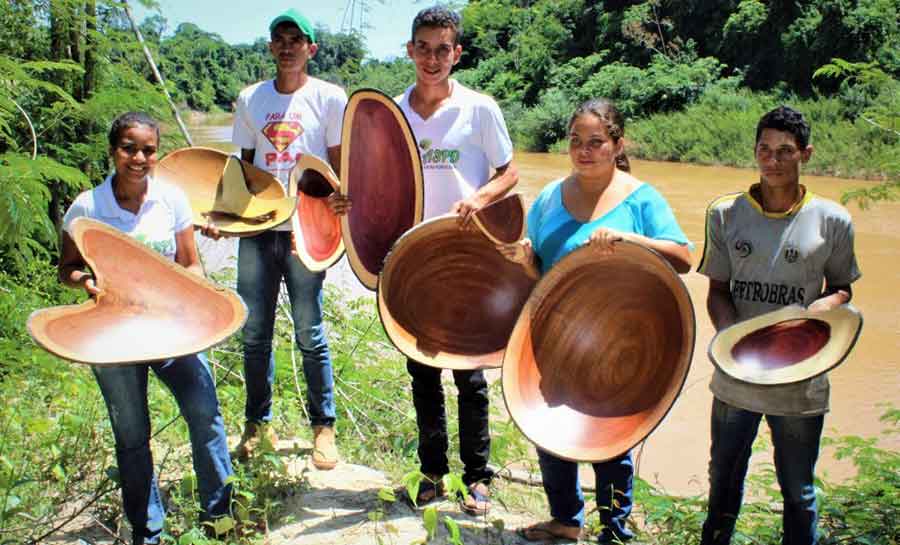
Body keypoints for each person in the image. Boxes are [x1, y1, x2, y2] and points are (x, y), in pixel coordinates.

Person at [499, 98, 692, 543]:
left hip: (618, 335)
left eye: (596, 142)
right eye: (575, 142)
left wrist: (629, 238)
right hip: (556, 331)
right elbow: (540, 273)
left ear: (617, 144)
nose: (584, 151)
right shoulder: (549, 197)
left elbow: (682, 257)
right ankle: (566, 520)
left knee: (610, 437)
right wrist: (526, 258)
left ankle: (614, 530)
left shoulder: (641, 198)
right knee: (549, 427)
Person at [58, 112, 233, 545]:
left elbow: (188, 260)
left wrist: (196, 292)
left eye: (148, 150)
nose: (139, 158)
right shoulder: (87, 207)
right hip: (114, 335)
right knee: (132, 434)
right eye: (129, 148)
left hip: (172, 327)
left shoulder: (170, 199)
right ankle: (146, 528)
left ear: (157, 153)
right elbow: (68, 269)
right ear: (113, 150)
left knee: (205, 415)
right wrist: (87, 282)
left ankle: (220, 518)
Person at [697, 106, 861, 545]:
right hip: (736, 379)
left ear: (805, 154)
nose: (773, 161)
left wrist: (825, 307)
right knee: (723, 483)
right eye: (764, 150)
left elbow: (843, 287)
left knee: (799, 491)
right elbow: (717, 289)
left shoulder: (833, 220)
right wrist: (733, 344)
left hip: (800, 378)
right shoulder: (725, 214)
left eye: (785, 151)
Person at [229, 8, 347, 469]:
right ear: (270, 46)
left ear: (311, 49)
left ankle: (324, 428)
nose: (287, 45)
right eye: (279, 38)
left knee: (309, 332)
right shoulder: (250, 99)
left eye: (296, 39)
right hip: (258, 229)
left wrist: (340, 212)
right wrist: (226, 215)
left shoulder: (330, 98)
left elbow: (338, 168)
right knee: (254, 333)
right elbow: (241, 166)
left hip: (305, 229)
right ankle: (258, 427)